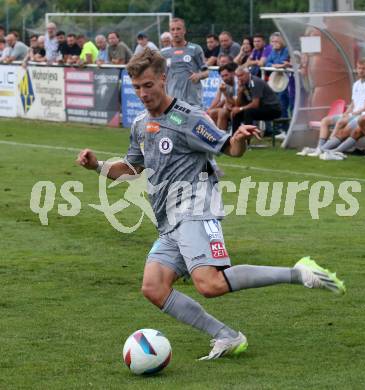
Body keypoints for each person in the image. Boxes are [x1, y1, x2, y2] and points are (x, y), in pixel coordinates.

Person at [77, 48, 346, 360]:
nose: (142, 93)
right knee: (153, 287)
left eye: (148, 85)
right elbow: (132, 169)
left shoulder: (188, 118)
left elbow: (229, 148)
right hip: (168, 221)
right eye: (137, 87)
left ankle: (298, 273)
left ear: (163, 79)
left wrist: (241, 137)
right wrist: (97, 166)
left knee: (210, 283)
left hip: (194, 207)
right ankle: (227, 336)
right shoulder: (139, 124)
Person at [298, 59, 365, 157]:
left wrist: (352, 114)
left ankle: (324, 149)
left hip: (360, 115)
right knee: (325, 121)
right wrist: (346, 113)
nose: (361, 71)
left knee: (340, 122)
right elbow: (353, 103)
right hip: (352, 114)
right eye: (359, 68)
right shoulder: (356, 84)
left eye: (363, 68)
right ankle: (320, 147)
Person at [161, 17, 208, 108]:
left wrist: (199, 75)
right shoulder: (164, 53)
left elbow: (206, 72)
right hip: (172, 101)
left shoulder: (195, 49)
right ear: (170, 32)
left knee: (194, 122)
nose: (175, 32)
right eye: (173, 29)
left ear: (184, 31)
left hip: (192, 101)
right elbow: (161, 76)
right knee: (176, 122)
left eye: (178, 29)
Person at [231, 66, 282, 133]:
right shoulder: (244, 84)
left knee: (248, 112)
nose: (239, 78)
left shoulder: (254, 82)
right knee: (236, 114)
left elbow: (255, 104)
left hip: (273, 109)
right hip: (262, 108)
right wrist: (239, 92)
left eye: (241, 75)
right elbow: (238, 104)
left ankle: (247, 139)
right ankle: (234, 138)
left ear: (247, 73)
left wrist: (240, 109)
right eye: (237, 76)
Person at [207, 62, 238, 130]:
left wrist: (224, 93)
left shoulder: (237, 82)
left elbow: (236, 103)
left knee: (222, 112)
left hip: (239, 107)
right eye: (222, 76)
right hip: (229, 107)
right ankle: (214, 136)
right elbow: (217, 98)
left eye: (226, 75)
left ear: (232, 73)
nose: (224, 78)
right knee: (212, 112)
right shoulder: (223, 82)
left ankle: (222, 138)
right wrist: (209, 110)